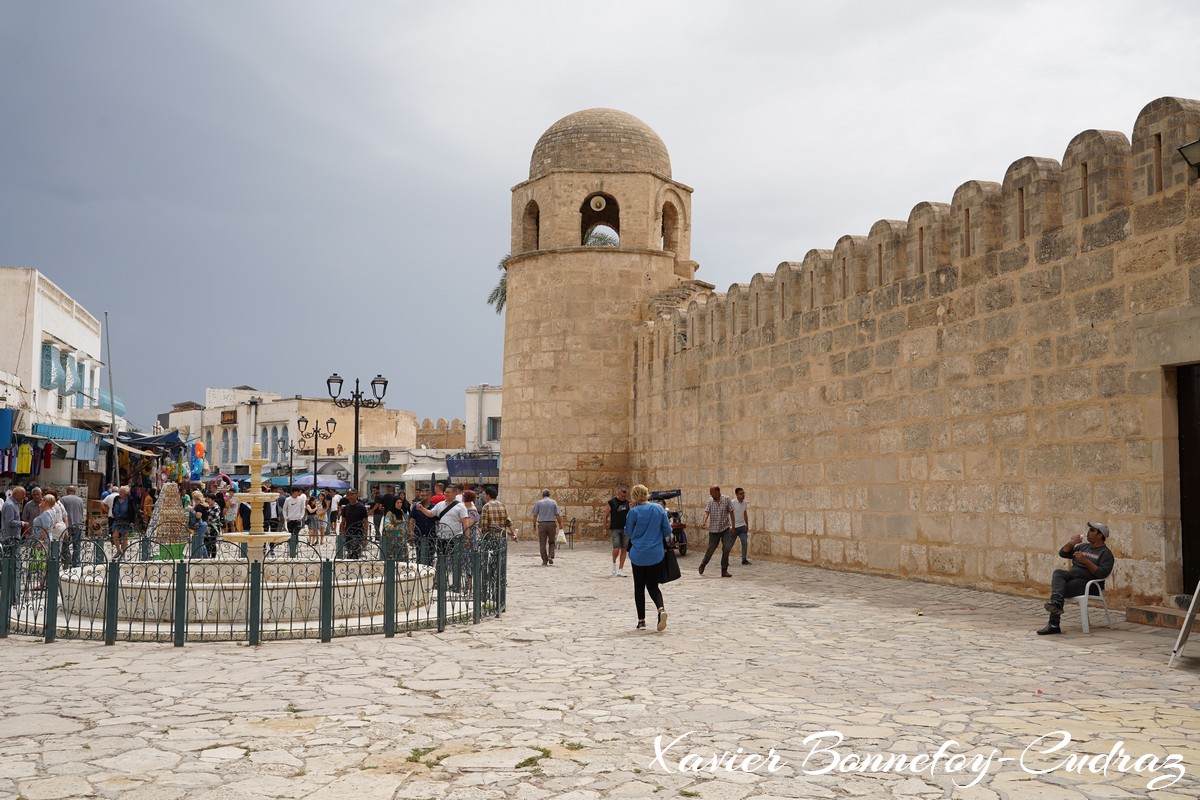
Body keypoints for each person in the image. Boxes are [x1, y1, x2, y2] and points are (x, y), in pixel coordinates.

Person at [1037, 522, 1115, 635]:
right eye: (1089, 529)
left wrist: (1086, 561)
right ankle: (1056, 603)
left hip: (1089, 583)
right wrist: (1072, 542)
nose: (1088, 532)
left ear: (1099, 535)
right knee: (1058, 573)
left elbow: (1102, 574)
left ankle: (1054, 624)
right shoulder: (1083, 547)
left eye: (1092, 530)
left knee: (1060, 589)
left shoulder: (1105, 553)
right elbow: (1063, 553)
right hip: (1073, 575)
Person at [624, 484, 671, 631]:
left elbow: (629, 532)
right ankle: (661, 609)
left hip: (638, 554)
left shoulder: (633, 512)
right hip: (655, 553)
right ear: (647, 494)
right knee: (653, 586)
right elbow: (667, 530)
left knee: (639, 587)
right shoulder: (658, 508)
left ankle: (641, 621)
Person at [698, 485, 735, 577]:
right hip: (714, 529)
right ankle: (703, 563)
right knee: (711, 548)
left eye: (711, 492)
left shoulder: (726, 499)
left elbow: (731, 512)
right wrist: (704, 521)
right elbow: (707, 512)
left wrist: (733, 526)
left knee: (726, 548)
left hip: (725, 528)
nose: (710, 494)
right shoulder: (710, 501)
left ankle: (724, 570)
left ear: (717, 492)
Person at [531, 489, 562, 566]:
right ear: (549, 495)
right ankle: (550, 555)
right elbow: (557, 515)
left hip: (542, 524)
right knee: (552, 542)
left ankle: (544, 560)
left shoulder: (538, 503)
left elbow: (535, 516)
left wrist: (534, 525)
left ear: (543, 495)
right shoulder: (553, 502)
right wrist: (560, 524)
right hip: (552, 524)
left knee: (542, 543)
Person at [605, 487, 630, 577]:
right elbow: (606, 515)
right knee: (616, 548)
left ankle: (621, 569)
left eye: (625, 496)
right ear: (618, 494)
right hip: (615, 528)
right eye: (622, 496)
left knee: (624, 549)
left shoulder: (627, 503)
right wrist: (604, 528)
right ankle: (614, 563)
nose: (623, 497)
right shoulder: (612, 502)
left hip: (625, 529)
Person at [409, 488, 437, 565]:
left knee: (430, 554)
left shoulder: (434, 507)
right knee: (419, 553)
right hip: (419, 533)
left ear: (429, 496)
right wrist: (411, 531)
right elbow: (411, 520)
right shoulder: (416, 507)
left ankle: (429, 570)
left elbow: (438, 521)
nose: (422, 497)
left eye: (424, 495)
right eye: (421, 495)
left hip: (431, 533)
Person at [339, 489, 370, 559]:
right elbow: (343, 522)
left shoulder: (361, 507)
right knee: (349, 553)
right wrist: (343, 533)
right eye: (348, 495)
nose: (350, 496)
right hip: (348, 533)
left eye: (352, 494)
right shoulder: (346, 508)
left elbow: (365, 522)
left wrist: (365, 536)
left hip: (358, 533)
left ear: (356, 495)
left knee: (355, 554)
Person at [60, 485, 85, 567]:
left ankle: (66, 561)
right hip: (77, 524)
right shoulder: (80, 500)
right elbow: (81, 512)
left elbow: (62, 513)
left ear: (67, 491)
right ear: (75, 491)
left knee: (65, 544)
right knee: (77, 545)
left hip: (67, 525)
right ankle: (76, 563)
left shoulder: (63, 499)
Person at [1, 486, 27, 556]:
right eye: (22, 494)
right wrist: (23, 523)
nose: (24, 496)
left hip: (12, 536)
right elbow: (10, 522)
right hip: (10, 537)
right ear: (15, 494)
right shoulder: (10, 505)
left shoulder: (13, 503)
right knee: (11, 560)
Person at [380, 495, 408, 559]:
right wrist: (392, 527)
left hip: (401, 539)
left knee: (401, 557)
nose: (399, 504)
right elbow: (387, 524)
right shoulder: (390, 513)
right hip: (392, 539)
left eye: (401, 502)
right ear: (394, 503)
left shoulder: (401, 511)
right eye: (397, 503)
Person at [111, 486, 137, 556]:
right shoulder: (116, 499)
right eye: (120, 491)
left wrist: (132, 521)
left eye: (122, 491)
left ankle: (123, 554)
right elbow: (113, 507)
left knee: (125, 537)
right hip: (117, 520)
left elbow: (133, 511)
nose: (120, 493)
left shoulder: (129, 500)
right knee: (115, 535)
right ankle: (118, 550)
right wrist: (113, 513)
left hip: (126, 520)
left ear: (126, 493)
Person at [282, 486, 306, 554]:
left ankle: (295, 549)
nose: (298, 493)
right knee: (290, 534)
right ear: (294, 492)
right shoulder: (287, 500)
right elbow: (284, 509)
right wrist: (286, 518)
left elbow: (302, 509)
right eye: (297, 492)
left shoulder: (300, 500)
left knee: (296, 534)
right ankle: (290, 549)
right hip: (290, 520)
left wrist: (300, 517)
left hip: (297, 520)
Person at [188, 491, 211, 558]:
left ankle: (198, 557)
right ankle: (205, 557)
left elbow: (198, 516)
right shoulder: (204, 505)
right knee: (201, 542)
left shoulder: (199, 506)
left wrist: (191, 511)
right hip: (204, 524)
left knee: (199, 542)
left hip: (200, 525)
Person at [731, 487, 751, 565]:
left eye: (743, 493)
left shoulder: (745, 503)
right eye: (741, 494)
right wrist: (730, 526)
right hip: (734, 527)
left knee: (744, 542)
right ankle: (725, 559)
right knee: (729, 544)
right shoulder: (732, 503)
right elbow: (729, 514)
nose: (743, 495)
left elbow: (745, 513)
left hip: (742, 526)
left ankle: (744, 559)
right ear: (736, 494)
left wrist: (747, 524)